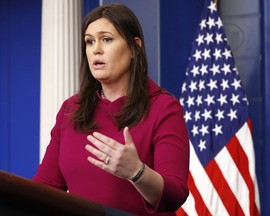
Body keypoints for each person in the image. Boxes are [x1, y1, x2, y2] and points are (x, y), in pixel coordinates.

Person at [33, 3, 189, 215]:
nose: (96, 49)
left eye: (106, 39)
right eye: (89, 42)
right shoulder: (71, 109)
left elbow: (175, 195)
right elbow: (45, 188)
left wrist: (136, 171)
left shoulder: (163, 107)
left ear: (135, 47)